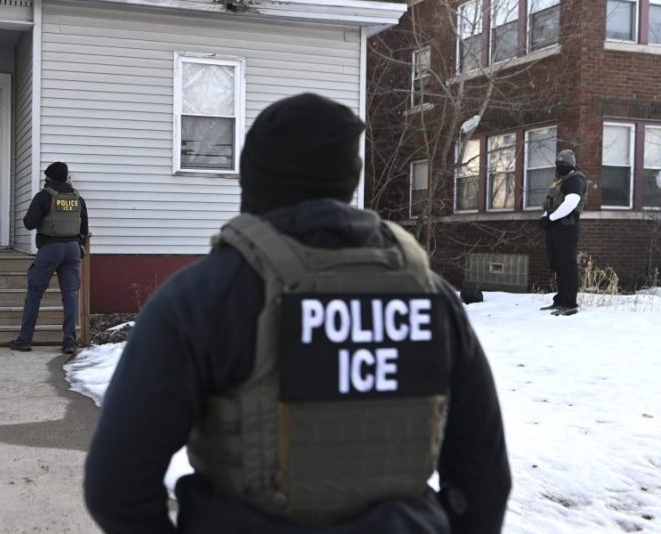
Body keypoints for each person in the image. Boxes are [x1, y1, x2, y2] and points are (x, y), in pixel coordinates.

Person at [84, 93, 511, 534]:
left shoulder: (203, 297)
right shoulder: (430, 295)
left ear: (252, 177)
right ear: (350, 177)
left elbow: (116, 486)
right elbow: (484, 479)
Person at [9, 162, 89, 355]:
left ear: (49, 178)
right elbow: (84, 228)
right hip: (72, 249)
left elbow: (29, 223)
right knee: (70, 295)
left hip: (50, 248)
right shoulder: (78, 198)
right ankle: (69, 342)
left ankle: (24, 341)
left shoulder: (44, 196)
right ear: (66, 177)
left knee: (35, 293)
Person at [538, 149, 587, 316]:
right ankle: (560, 300)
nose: (560, 166)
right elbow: (551, 203)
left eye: (563, 163)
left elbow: (571, 203)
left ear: (571, 165)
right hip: (554, 228)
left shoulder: (575, 180)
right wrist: (545, 217)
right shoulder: (558, 181)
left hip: (567, 227)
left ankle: (570, 303)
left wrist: (551, 218)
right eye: (558, 163)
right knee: (557, 265)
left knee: (567, 265)